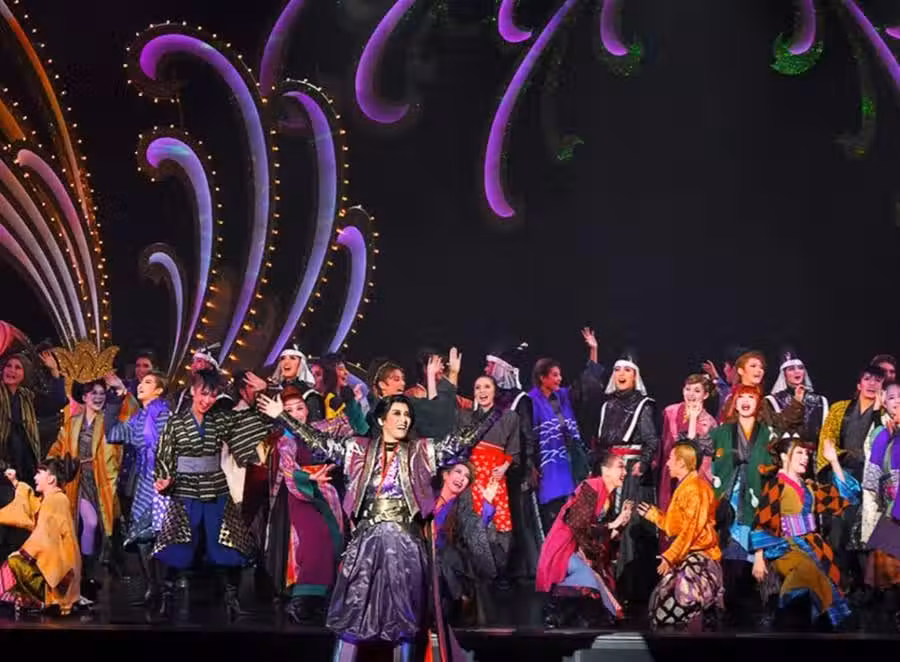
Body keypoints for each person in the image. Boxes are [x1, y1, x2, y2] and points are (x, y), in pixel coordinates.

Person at [257, 360, 503, 662]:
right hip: (367, 543)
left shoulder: (420, 452)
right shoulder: (357, 450)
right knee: (353, 614)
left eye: (407, 415)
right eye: (397, 413)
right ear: (382, 418)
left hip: (405, 544)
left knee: (404, 618)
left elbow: (460, 441)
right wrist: (283, 417)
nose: (403, 419)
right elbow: (317, 441)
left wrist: (494, 414)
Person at [153, 369, 275, 621]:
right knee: (177, 544)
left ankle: (232, 599)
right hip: (185, 490)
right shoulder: (175, 423)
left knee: (228, 543)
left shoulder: (219, 420)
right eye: (204, 393)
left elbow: (251, 421)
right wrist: (164, 478)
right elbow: (164, 454)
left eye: (213, 395)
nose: (207, 400)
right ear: (193, 391)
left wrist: (265, 392)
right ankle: (166, 597)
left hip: (216, 488)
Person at [751, 435, 859, 630]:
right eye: (799, 453)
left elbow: (844, 497)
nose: (805, 457)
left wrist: (834, 461)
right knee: (806, 569)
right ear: (785, 457)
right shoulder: (776, 485)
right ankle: (783, 612)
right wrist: (758, 558)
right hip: (786, 547)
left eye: (807, 454)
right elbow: (763, 520)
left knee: (824, 577)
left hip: (813, 545)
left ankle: (813, 623)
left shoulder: (809, 487)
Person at [263, 386, 343, 625]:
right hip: (302, 495)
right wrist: (308, 478)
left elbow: (347, 424)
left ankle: (324, 599)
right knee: (312, 543)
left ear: (307, 410)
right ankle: (301, 601)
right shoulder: (286, 440)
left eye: (299, 408)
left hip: (326, 493)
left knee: (332, 540)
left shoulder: (318, 430)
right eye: (289, 411)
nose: (296, 414)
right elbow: (289, 471)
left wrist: (354, 395)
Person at [45, 375, 129, 599]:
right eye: (94, 393)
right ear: (84, 397)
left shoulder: (109, 420)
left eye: (102, 394)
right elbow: (58, 447)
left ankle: (89, 573)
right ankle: (84, 573)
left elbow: (128, 418)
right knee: (88, 523)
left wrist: (121, 390)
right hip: (78, 480)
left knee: (104, 528)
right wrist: (52, 463)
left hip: (102, 480)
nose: (98, 397)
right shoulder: (72, 423)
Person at [535, 451, 630, 628]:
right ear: (605, 470)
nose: (625, 472)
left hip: (581, 547)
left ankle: (562, 610)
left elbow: (601, 532)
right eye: (620, 467)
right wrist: (611, 525)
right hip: (564, 546)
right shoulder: (591, 487)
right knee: (588, 578)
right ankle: (554, 607)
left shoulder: (608, 496)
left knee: (602, 596)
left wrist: (621, 524)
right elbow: (577, 524)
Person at [596, 350, 660, 604]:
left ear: (635, 376)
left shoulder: (644, 405)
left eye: (627, 370)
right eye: (617, 369)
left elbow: (651, 441)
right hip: (609, 472)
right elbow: (602, 443)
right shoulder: (607, 405)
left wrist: (642, 464)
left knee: (630, 529)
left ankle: (631, 590)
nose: (621, 374)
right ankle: (606, 588)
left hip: (631, 473)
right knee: (605, 525)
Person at [637, 440, 723, 631]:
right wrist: (655, 516)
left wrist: (670, 556)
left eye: (670, 459)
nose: (667, 463)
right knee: (659, 606)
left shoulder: (696, 489)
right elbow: (676, 526)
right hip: (687, 556)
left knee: (668, 609)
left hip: (701, 558)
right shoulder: (687, 486)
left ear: (682, 463)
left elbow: (691, 530)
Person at [816, 363, 886, 599]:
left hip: (870, 479)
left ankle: (868, 588)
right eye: (867, 379)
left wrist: (878, 413)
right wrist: (836, 463)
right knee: (838, 530)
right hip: (841, 474)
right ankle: (840, 582)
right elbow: (827, 439)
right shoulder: (840, 409)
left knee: (865, 532)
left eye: (877, 380)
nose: (872, 384)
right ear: (858, 384)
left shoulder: (885, 414)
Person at [708, 384, 774, 626]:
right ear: (734, 403)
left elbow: (776, 463)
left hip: (757, 498)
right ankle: (729, 606)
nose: (746, 401)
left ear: (758, 403)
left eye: (751, 397)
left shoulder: (768, 434)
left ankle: (760, 608)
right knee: (730, 553)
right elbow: (697, 450)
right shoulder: (721, 432)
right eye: (741, 397)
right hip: (729, 500)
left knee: (758, 554)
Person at [529, 328, 605, 534]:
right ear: (542, 377)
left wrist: (594, 350)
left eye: (560, 374)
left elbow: (588, 384)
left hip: (572, 462)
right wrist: (530, 466)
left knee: (577, 515)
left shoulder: (563, 396)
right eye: (555, 375)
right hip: (549, 467)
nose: (560, 378)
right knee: (555, 520)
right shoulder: (531, 401)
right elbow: (526, 436)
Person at [106, 370, 170, 606]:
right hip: (144, 481)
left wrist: (168, 478)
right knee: (142, 536)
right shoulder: (137, 418)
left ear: (159, 390)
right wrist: (116, 401)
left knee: (162, 535)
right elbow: (113, 433)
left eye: (148, 382)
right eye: (141, 381)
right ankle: (153, 586)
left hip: (164, 481)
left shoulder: (165, 415)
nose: (142, 385)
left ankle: (163, 586)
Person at [0, 350, 66, 562]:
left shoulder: (27, 398)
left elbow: (58, 401)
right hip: (2, 468)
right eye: (8, 366)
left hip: (24, 467)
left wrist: (54, 371)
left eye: (17, 367)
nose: (11, 371)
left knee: (21, 524)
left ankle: (12, 571)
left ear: (24, 373)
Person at [484, 343, 542, 582]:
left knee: (518, 518)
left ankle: (527, 570)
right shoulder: (489, 398)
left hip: (514, 470)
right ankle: (500, 568)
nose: (486, 369)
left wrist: (529, 469)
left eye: (490, 365)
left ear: (501, 368)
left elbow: (528, 436)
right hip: (491, 470)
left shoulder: (520, 400)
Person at [456, 375, 519, 579]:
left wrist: (505, 467)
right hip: (473, 475)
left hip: (494, 476)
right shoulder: (466, 417)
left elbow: (513, 449)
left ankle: (498, 575)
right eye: (478, 387)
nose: (482, 391)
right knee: (474, 521)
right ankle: (478, 575)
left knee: (499, 523)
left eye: (486, 387)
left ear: (494, 390)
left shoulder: (509, 417)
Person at [0, 459, 80, 615]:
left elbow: (42, 535)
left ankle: (40, 600)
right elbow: (32, 506)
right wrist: (15, 482)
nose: (35, 477)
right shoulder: (53, 499)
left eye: (39, 473)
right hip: (59, 570)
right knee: (14, 562)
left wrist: (22, 553)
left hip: (61, 576)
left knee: (14, 562)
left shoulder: (55, 501)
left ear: (51, 479)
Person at [434, 462, 504, 626]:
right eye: (458, 472)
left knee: (440, 557)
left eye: (466, 477)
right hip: (419, 555)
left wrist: (487, 504)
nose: (461, 478)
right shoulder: (427, 499)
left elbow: (474, 528)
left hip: (448, 562)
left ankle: (461, 598)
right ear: (445, 475)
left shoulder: (461, 508)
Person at [862, 385, 900, 629]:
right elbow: (871, 479)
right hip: (891, 510)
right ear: (884, 403)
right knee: (886, 566)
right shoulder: (882, 434)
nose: (898, 402)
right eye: (893, 398)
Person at [659, 374, 717, 513]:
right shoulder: (671, 412)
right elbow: (664, 442)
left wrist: (693, 420)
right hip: (670, 471)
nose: (691, 394)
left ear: (705, 395)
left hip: (696, 475)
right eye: (688, 389)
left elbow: (692, 450)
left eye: (697, 391)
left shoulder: (708, 422)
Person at [764, 348, 828, 441]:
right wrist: (796, 401)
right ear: (784, 374)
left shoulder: (820, 401)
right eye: (791, 369)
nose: (797, 371)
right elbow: (777, 430)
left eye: (801, 368)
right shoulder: (773, 401)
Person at [270, 343, 324, 422]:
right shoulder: (275, 394)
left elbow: (316, 426)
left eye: (292, 358)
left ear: (301, 364)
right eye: (282, 358)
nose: (286, 362)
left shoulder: (310, 396)